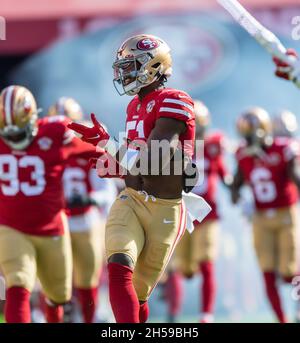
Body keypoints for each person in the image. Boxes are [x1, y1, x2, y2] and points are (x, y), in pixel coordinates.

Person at [68, 34, 210, 323]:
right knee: (118, 265)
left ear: (154, 65)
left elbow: (155, 161)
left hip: (166, 207)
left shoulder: (175, 100)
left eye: (130, 66)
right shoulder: (133, 106)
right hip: (130, 200)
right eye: (122, 67)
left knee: (139, 292)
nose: (124, 74)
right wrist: (107, 159)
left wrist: (108, 144)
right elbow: (134, 163)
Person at [0, 85, 96, 323]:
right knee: (18, 282)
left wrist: (131, 168)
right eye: (7, 134)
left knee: (59, 295)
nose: (14, 139)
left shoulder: (55, 132)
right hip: (11, 227)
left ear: (34, 119)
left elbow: (97, 153)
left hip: (52, 227)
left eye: (18, 132)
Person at [49, 97, 117, 322]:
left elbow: (107, 190)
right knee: (54, 280)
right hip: (56, 222)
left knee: (88, 280)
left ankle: (90, 316)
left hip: (86, 222)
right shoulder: (44, 151)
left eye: (68, 125)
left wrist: (89, 199)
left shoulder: (87, 149)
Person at [231, 107, 300, 323]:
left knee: (289, 272)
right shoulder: (242, 154)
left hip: (285, 213)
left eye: (250, 134)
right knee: (267, 272)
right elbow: (235, 186)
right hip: (260, 218)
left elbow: (295, 176)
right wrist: (240, 199)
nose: (248, 140)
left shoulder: (284, 149)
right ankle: (282, 320)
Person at [164, 101, 231, 323]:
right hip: (183, 212)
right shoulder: (175, 147)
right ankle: (173, 313)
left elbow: (223, 172)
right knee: (179, 268)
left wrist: (233, 187)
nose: (198, 132)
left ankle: (206, 315)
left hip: (208, 214)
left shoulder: (213, 145)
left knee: (206, 262)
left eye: (200, 127)